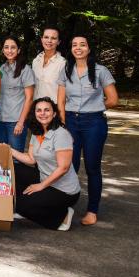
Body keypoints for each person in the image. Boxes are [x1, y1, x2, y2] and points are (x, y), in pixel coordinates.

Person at [56, 35, 119, 226]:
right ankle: (66, 208)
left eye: (82, 45)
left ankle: (92, 210)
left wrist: (94, 108)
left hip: (94, 124)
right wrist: (64, 125)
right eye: (74, 45)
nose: (78, 48)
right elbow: (60, 101)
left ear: (89, 49)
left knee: (92, 168)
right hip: (71, 123)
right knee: (68, 167)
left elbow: (113, 99)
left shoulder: (101, 71)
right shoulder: (66, 70)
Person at [11, 97, 80, 231]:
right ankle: (31, 206)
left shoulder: (61, 134)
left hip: (64, 190)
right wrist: (8, 149)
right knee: (13, 170)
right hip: (45, 177)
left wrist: (40, 186)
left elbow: (64, 168)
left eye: (47, 110)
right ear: (35, 113)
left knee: (20, 205)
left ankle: (63, 216)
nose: (42, 113)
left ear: (54, 113)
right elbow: (31, 159)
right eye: (39, 110)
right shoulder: (37, 132)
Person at [0, 36, 35, 151]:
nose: (9, 50)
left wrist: (21, 122)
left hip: (15, 121)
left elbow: (29, 98)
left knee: (15, 158)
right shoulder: (0, 69)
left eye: (13, 47)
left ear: (19, 50)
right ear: (2, 50)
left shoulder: (25, 70)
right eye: (6, 47)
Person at [32, 26, 66, 102]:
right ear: (42, 40)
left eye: (53, 38)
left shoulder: (63, 63)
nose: (49, 41)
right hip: (36, 109)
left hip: (54, 108)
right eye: (46, 37)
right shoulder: (36, 61)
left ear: (58, 42)